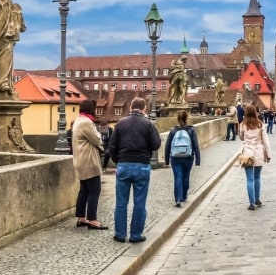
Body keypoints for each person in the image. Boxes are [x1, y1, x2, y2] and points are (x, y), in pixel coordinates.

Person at [108, 97, 161, 243]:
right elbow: (156, 144)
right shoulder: (148, 124)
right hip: (142, 165)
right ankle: (135, 235)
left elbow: (112, 146)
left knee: (121, 202)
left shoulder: (120, 124)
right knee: (139, 202)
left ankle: (120, 234)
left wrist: (118, 161)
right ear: (144, 109)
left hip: (124, 164)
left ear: (130, 108)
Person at [71, 99, 108, 230]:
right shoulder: (86, 123)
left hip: (81, 160)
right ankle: (92, 219)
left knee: (84, 190)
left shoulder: (78, 120)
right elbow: (97, 139)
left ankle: (81, 218)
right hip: (89, 161)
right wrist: (99, 136)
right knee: (94, 190)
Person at [164, 110, 200, 207]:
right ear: (186, 118)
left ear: (178, 119)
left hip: (175, 157)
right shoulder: (191, 130)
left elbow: (167, 145)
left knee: (178, 176)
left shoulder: (173, 130)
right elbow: (195, 145)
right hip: (188, 157)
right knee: (186, 176)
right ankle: (184, 196)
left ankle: (178, 199)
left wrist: (166, 159)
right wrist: (197, 159)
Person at [239, 104, 271, 210]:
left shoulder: (243, 125)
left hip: (247, 154)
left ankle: (251, 203)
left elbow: (241, 137)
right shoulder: (260, 124)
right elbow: (266, 141)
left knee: (249, 179)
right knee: (257, 177)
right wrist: (268, 155)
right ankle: (257, 199)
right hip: (258, 153)